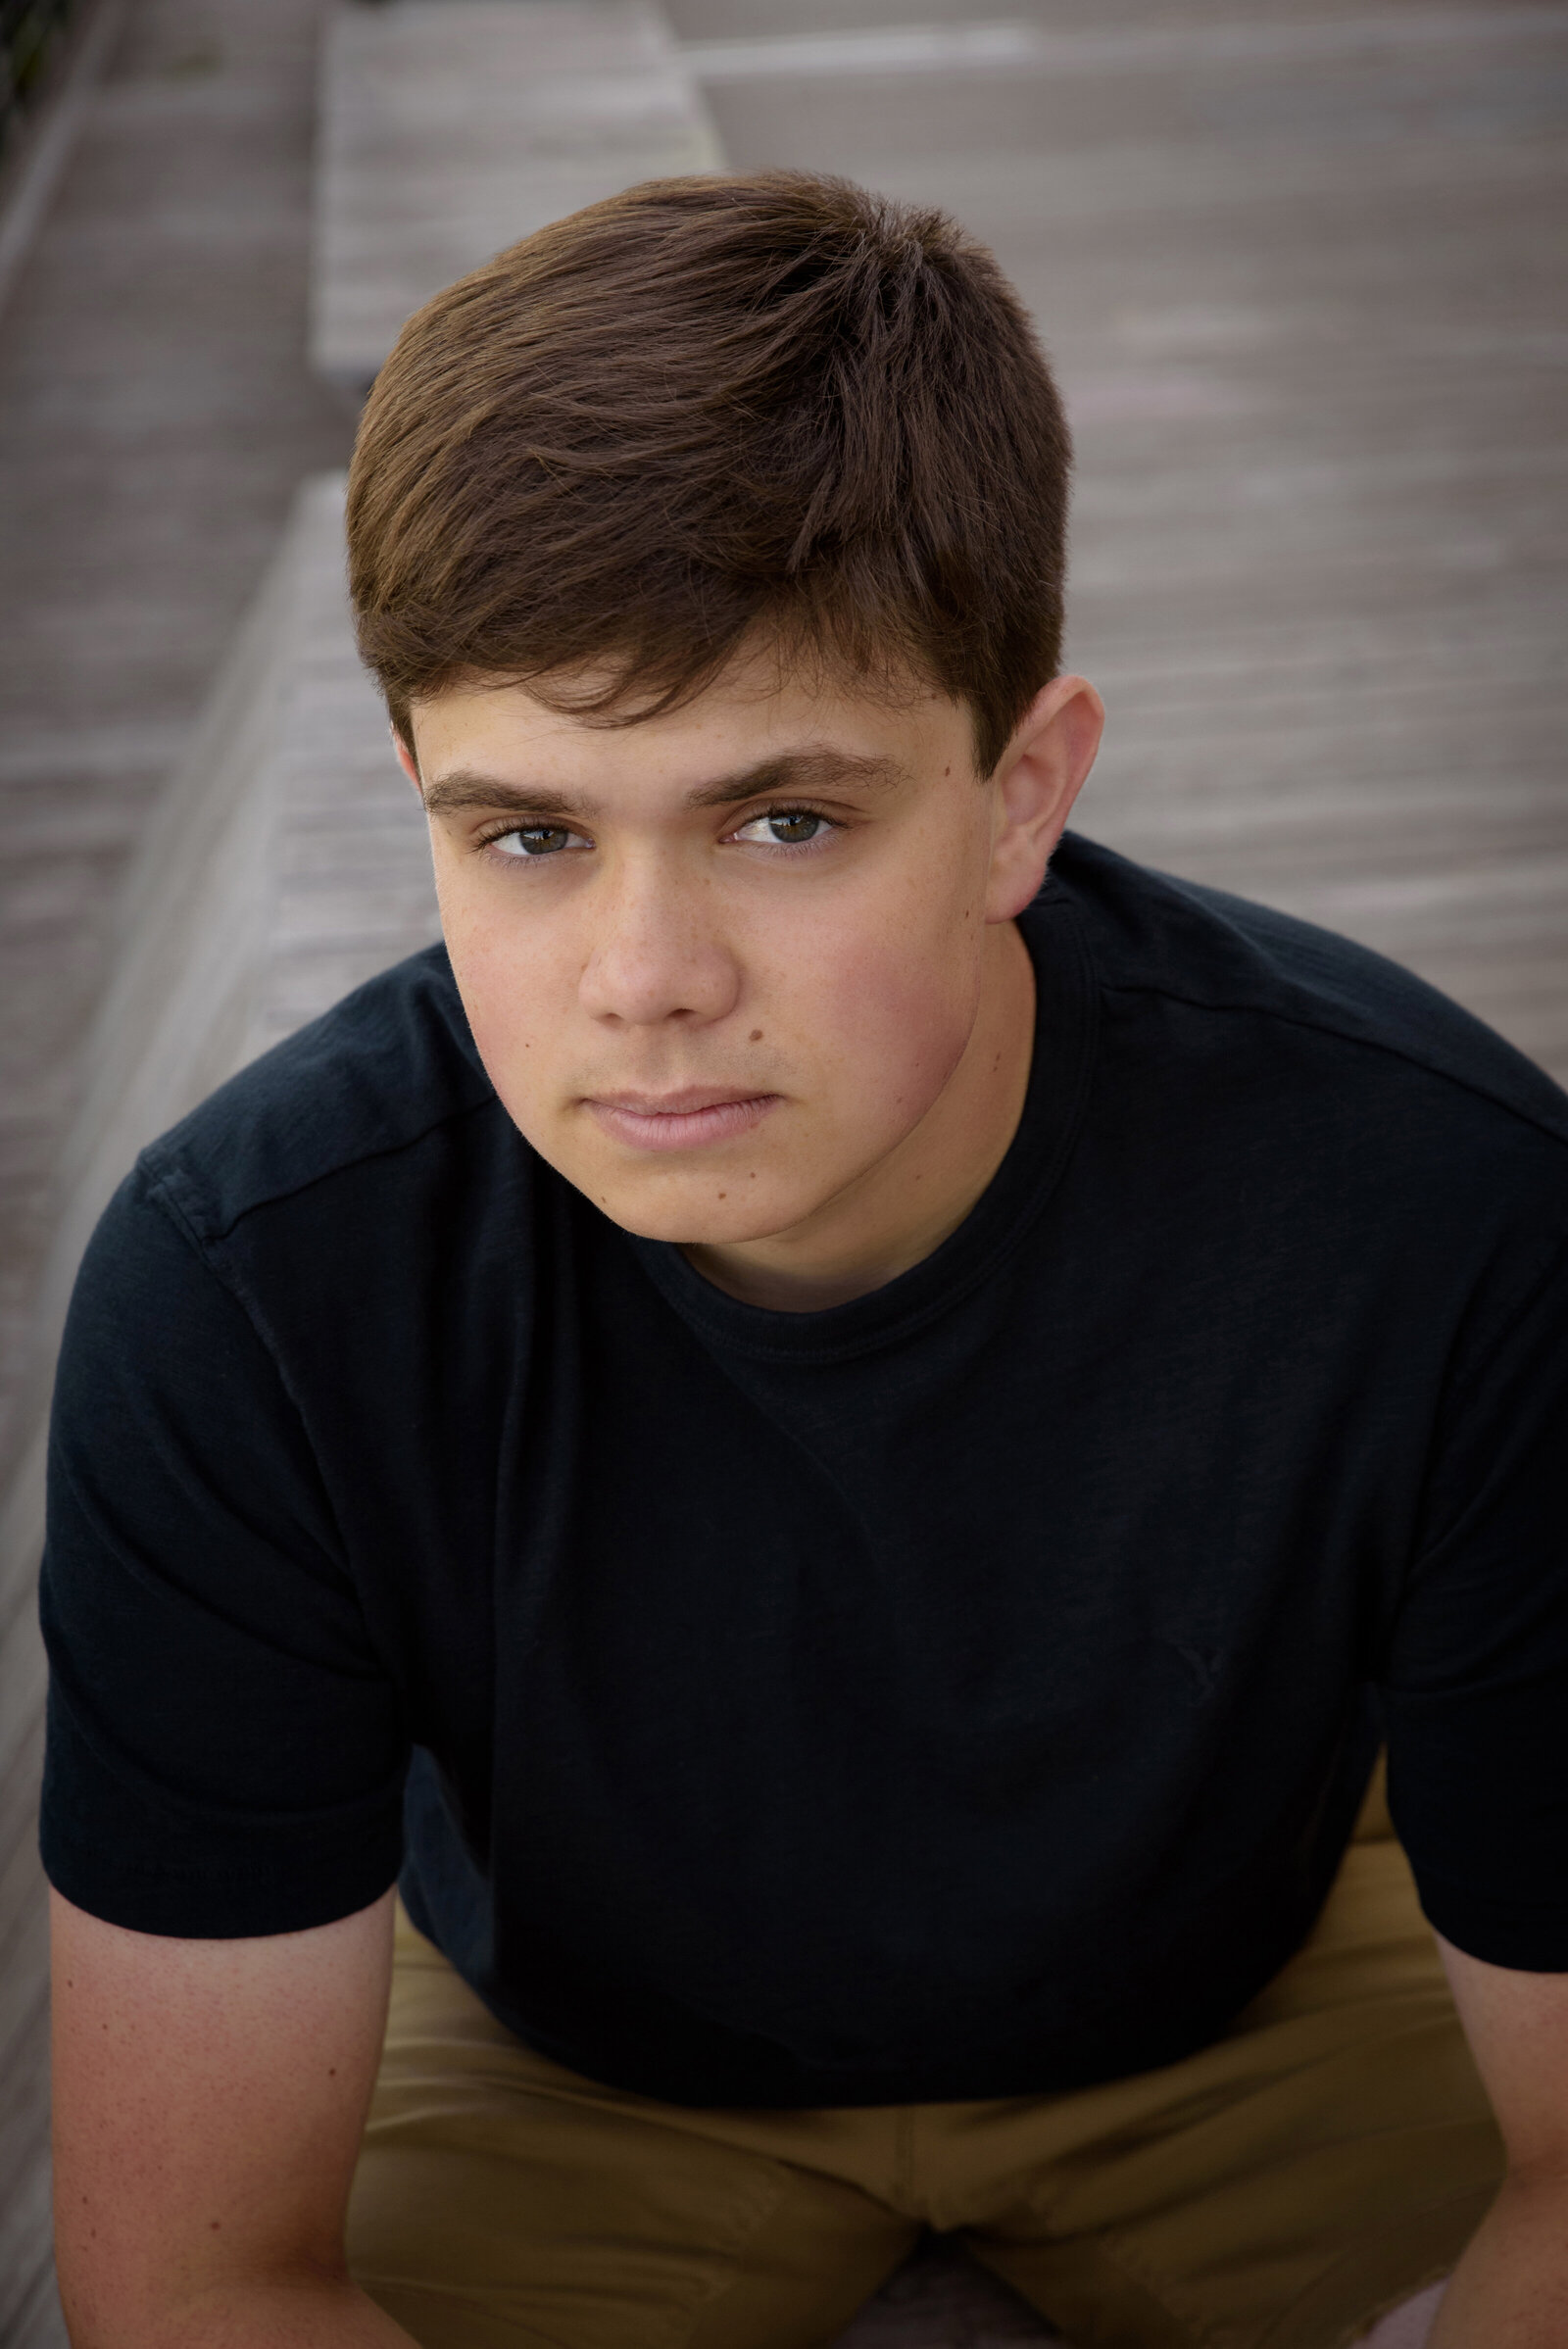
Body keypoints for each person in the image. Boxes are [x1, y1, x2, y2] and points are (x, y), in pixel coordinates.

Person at [40, 172, 1568, 2349]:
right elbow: (203, 2286)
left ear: (1021, 793)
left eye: (785, 821)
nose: (642, 978)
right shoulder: (253, 1292)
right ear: (416, 791)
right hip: (563, 2060)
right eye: (530, 833)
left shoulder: (1443, 1216)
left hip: (1251, 1997)